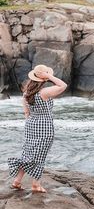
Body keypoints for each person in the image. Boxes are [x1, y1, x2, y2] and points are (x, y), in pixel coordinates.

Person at [8, 64, 67, 193]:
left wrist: (32, 123)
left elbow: (26, 114)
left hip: (30, 126)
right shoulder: (44, 92)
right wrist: (49, 76)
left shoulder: (26, 94)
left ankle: (17, 181)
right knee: (40, 156)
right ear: (43, 78)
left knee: (27, 154)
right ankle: (36, 184)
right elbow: (63, 85)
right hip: (44, 126)